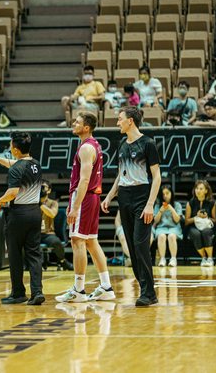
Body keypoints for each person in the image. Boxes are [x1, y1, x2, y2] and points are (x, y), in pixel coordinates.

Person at [102, 106, 161, 307]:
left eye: (120, 119)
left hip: (142, 196)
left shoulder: (148, 143)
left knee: (140, 244)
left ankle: (149, 293)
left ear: (130, 121)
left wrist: (150, 204)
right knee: (132, 246)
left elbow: (157, 177)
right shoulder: (121, 144)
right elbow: (121, 174)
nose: (117, 123)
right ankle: (146, 289)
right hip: (124, 197)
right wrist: (110, 196)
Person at [53, 112, 114, 303]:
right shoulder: (93, 145)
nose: (74, 123)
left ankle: (79, 290)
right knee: (91, 242)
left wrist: (75, 207)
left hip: (85, 197)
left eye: (77, 122)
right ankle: (106, 286)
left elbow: (85, 180)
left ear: (86, 127)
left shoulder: (86, 148)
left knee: (77, 241)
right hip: (92, 197)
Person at [0, 132, 44, 305]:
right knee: (34, 254)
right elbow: (16, 165)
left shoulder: (16, 168)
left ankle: (18, 293)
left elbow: (12, 192)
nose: (10, 148)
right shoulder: (35, 164)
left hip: (19, 214)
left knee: (15, 254)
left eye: (11, 145)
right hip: (35, 213)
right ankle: (37, 292)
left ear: (16, 150)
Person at [39, 181, 73, 270]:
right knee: (22, 240)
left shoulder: (53, 203)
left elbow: (52, 214)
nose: (41, 189)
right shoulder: (32, 202)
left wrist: (40, 204)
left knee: (56, 242)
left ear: (49, 190)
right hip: (35, 233)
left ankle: (62, 261)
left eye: (43, 187)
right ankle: (26, 264)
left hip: (48, 233)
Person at [185, 180, 216, 266]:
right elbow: (186, 222)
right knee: (196, 234)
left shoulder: (212, 203)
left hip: (207, 226)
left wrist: (207, 217)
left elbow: (215, 220)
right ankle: (204, 258)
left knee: (206, 232)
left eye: (201, 189)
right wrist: (196, 217)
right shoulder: (190, 203)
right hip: (193, 227)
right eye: (196, 188)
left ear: (206, 191)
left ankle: (210, 258)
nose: (198, 190)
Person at [153, 184, 183, 267]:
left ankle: (173, 258)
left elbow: (177, 220)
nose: (165, 196)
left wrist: (171, 209)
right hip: (161, 227)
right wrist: (160, 211)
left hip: (174, 227)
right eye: (163, 194)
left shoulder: (177, 205)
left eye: (167, 193)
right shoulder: (157, 205)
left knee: (171, 236)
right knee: (161, 236)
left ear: (171, 193)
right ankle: (162, 259)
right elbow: (156, 221)